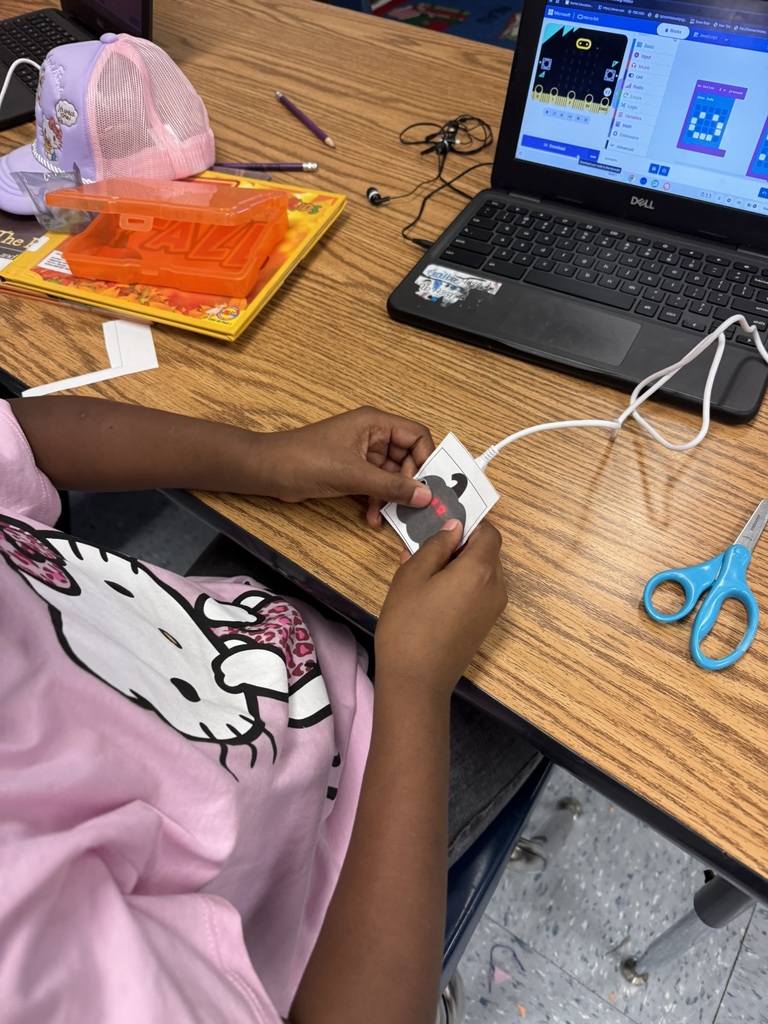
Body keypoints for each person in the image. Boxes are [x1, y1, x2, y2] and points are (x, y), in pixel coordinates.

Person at [0, 395, 538, 1024]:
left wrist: (267, 457)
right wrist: (416, 686)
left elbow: (17, 436)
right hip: (346, 847)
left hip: (246, 629)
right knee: (551, 688)